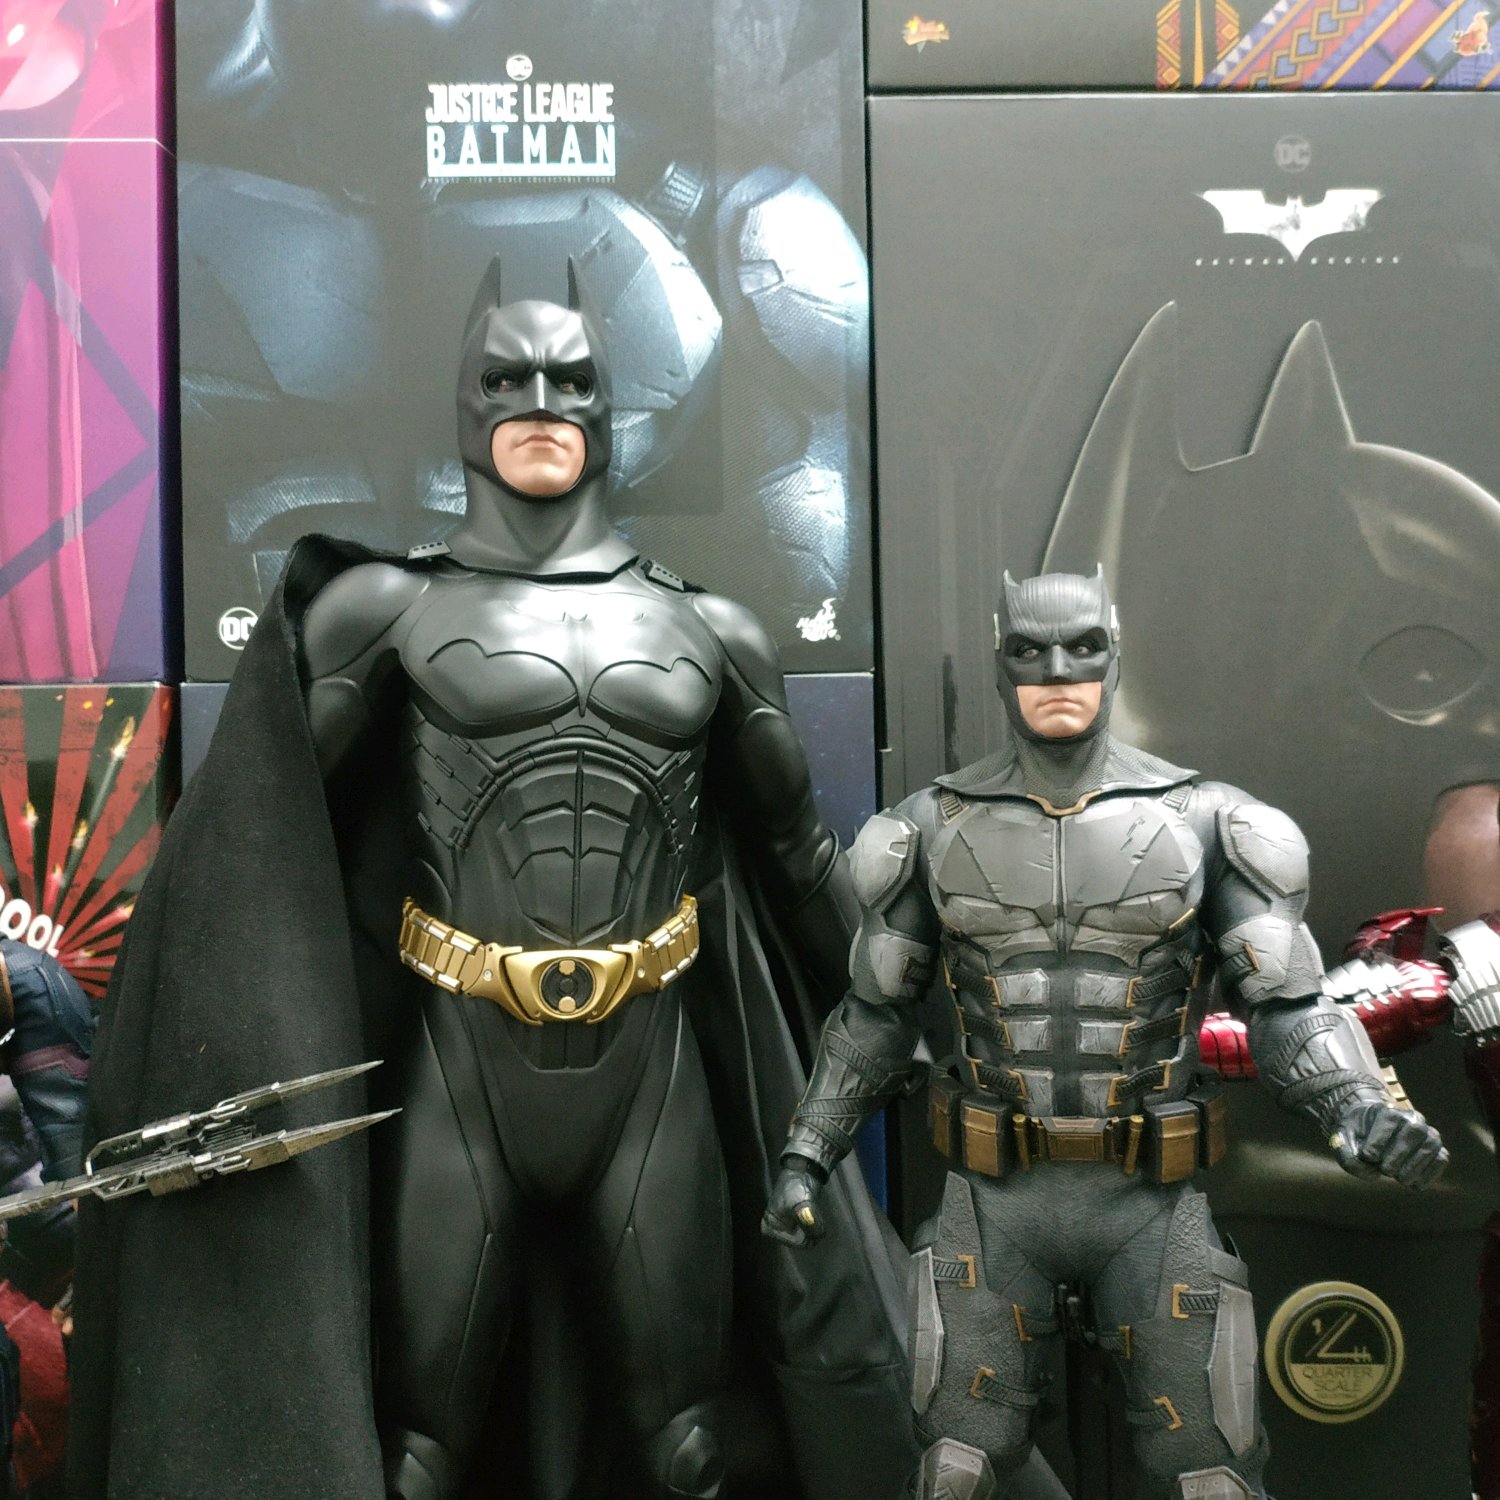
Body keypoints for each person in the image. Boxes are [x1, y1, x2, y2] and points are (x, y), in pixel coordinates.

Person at [71, 261, 913, 1500]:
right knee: (416, 1453)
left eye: (570, 380)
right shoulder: (382, 613)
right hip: (457, 1063)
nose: (540, 404)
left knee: (690, 1444)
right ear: (465, 407)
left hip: (652, 1070)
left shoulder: (712, 632)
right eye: (506, 379)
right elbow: (257, 849)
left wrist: (895, 1024)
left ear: (611, 406)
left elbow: (797, 861)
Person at [763, 568, 1447, 1500]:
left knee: (1214, 1475)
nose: (1057, 671)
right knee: (955, 1470)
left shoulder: (1214, 823)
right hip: (994, 1203)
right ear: (999, 664)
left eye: (1081, 647)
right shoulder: (923, 830)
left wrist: (1355, 1108)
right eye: (1029, 650)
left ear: (1114, 654)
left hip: (1149, 1203)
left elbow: (1285, 1006)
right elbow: (877, 1015)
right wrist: (807, 1153)